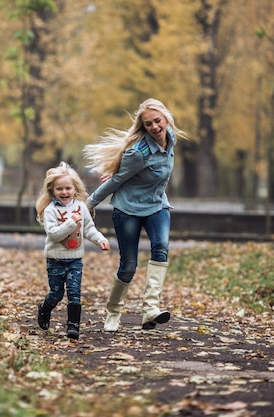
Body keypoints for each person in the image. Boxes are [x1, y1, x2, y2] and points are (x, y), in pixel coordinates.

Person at [83, 98, 186, 331]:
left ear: (166, 118)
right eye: (148, 124)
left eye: (157, 121)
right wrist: (90, 203)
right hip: (128, 209)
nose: (154, 127)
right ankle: (113, 312)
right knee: (128, 265)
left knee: (161, 247)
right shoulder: (138, 153)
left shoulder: (171, 138)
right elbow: (119, 179)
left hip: (157, 205)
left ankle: (151, 310)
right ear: (144, 127)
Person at [35, 161, 111, 340]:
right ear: (52, 191)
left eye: (67, 188)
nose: (64, 192)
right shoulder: (50, 211)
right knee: (56, 294)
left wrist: (100, 239)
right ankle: (45, 308)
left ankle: (73, 326)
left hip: (75, 259)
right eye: (59, 189)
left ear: (74, 188)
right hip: (55, 259)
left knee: (74, 292)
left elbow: (88, 229)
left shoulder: (81, 207)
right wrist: (71, 222)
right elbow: (54, 235)